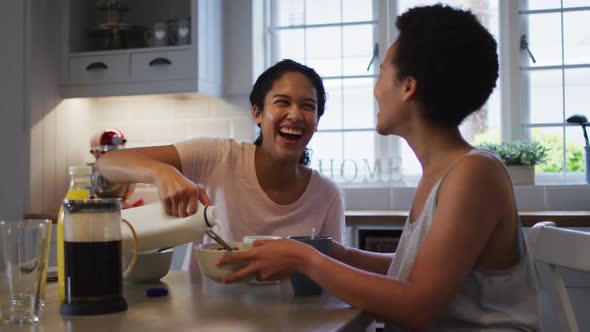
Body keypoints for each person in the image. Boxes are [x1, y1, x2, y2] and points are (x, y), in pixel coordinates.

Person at [218, 5, 540, 331]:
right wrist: (334, 253)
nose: (375, 89)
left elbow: (416, 307)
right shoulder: (446, 173)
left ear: (407, 87)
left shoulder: (473, 175)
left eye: (382, 72)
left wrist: (304, 260)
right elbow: (415, 273)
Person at [95, 59, 345, 272]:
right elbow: (108, 162)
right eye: (282, 102)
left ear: (317, 121)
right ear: (257, 113)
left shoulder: (327, 195)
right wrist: (161, 172)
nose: (295, 115)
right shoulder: (218, 156)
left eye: (308, 106)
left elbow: (332, 275)